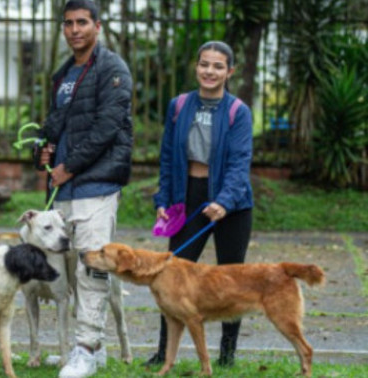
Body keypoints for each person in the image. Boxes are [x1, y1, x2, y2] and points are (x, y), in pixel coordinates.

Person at [35, 1, 132, 377]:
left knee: (93, 271)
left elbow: (108, 127)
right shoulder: (64, 74)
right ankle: (97, 347)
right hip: (64, 190)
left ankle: (85, 350)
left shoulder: (112, 69)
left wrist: (69, 166)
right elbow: (54, 125)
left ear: (97, 26)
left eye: (82, 23)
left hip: (98, 184)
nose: (75, 29)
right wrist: (41, 149)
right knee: (73, 272)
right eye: (69, 23)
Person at [149, 40, 253, 368]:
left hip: (232, 204)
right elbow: (167, 157)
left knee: (231, 279)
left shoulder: (238, 111)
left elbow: (240, 163)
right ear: (196, 67)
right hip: (187, 198)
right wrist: (163, 199)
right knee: (172, 276)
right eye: (204, 64)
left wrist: (224, 201)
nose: (210, 71)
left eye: (218, 66)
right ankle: (164, 352)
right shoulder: (179, 105)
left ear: (229, 72)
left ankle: (227, 354)